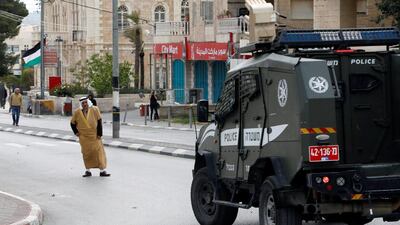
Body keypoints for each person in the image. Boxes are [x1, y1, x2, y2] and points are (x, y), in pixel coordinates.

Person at [70, 97, 110, 177]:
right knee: (86, 153)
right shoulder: (77, 112)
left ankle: (102, 171)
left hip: (95, 136)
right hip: (84, 137)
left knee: (98, 152)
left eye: (85, 102)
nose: (84, 104)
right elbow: (72, 123)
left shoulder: (95, 109)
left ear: (88, 102)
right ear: (81, 104)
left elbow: (99, 121)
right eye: (83, 103)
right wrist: (76, 132)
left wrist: (99, 134)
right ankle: (87, 171)